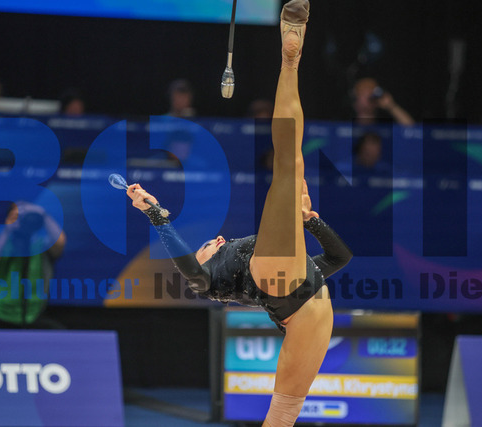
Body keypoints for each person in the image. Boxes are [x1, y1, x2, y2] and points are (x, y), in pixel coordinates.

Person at [128, 2, 352, 425]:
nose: (212, 241)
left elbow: (190, 270)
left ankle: (291, 61)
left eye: (208, 244)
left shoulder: (219, 281)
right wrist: (311, 221)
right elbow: (341, 258)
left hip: (299, 304)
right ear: (210, 255)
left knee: (290, 165)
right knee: (289, 163)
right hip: (306, 302)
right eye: (205, 247)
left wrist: (156, 214)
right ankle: (291, 61)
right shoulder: (213, 278)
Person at [0, 202, 66, 329]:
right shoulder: (3, 244)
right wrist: (7, 229)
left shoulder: (41, 246)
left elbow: (60, 242)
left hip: (32, 316)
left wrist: (43, 215)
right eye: (18, 216)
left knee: (56, 331)